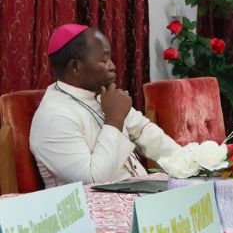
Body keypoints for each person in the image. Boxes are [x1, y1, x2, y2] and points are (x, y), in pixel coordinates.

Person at [30, 24, 180, 188]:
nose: (112, 66)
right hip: (90, 209)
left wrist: (189, 164)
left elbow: (145, 132)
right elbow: (93, 181)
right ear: (75, 67)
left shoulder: (101, 96)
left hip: (134, 196)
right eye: (104, 60)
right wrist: (114, 121)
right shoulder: (54, 116)